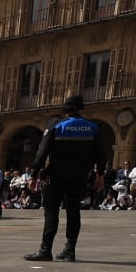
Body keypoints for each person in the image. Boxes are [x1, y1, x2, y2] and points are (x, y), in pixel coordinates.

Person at [24, 94, 112, 262]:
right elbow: (101, 155)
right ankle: (69, 250)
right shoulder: (93, 128)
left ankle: (45, 250)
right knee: (73, 212)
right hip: (79, 176)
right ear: (81, 109)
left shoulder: (57, 127)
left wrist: (34, 175)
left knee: (51, 212)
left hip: (55, 176)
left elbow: (41, 154)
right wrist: (100, 175)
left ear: (65, 111)